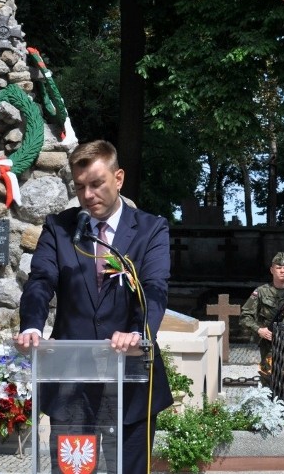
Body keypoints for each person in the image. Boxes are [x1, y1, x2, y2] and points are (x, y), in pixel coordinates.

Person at [15, 140, 173, 473]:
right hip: (72, 383)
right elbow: (41, 280)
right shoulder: (60, 229)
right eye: (81, 186)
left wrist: (136, 333)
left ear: (118, 178)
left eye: (97, 184)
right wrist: (31, 325)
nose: (88, 195)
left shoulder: (150, 229)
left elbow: (155, 288)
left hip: (131, 383)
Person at [239, 252, 284, 389]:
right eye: (278, 268)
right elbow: (245, 317)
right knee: (269, 381)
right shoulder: (261, 292)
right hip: (269, 346)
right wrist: (259, 330)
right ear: (272, 270)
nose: (282, 271)